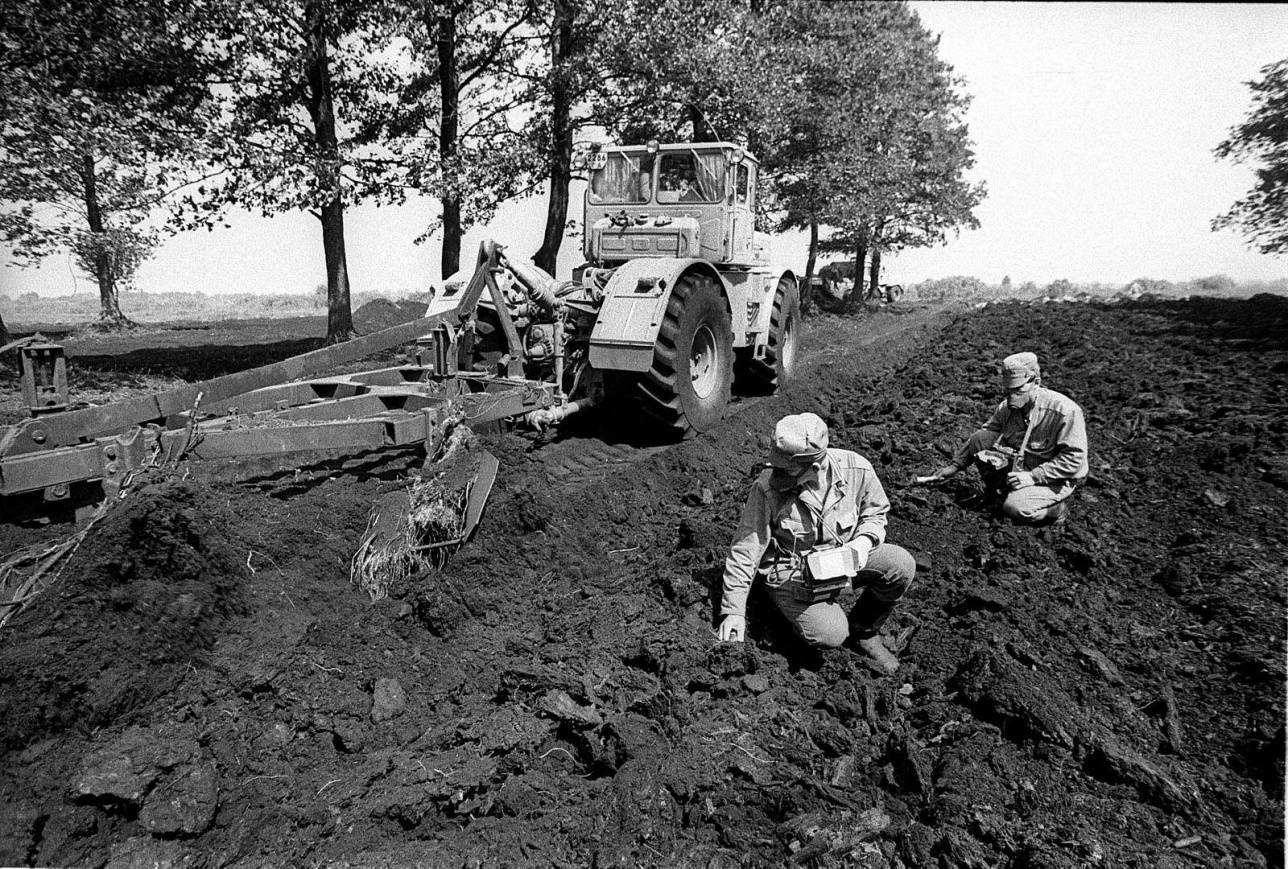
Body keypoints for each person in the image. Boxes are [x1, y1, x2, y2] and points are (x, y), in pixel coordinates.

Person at [716, 412, 916, 673]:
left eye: (787, 470)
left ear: (815, 467)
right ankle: (778, 611)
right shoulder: (767, 489)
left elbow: (876, 513)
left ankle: (864, 632)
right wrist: (733, 611)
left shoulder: (856, 469)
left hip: (843, 561)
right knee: (831, 634)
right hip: (793, 573)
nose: (777, 475)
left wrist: (863, 543)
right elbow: (746, 549)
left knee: (900, 564)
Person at [921, 351, 1088, 524]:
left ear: (1036, 382)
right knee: (981, 439)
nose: (1011, 397)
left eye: (1017, 390)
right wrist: (955, 466)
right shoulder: (1007, 408)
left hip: (1051, 479)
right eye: (1007, 391)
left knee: (1015, 508)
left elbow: (1074, 459)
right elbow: (982, 436)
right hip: (1020, 469)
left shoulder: (1064, 412)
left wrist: (1033, 477)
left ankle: (1056, 510)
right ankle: (997, 495)